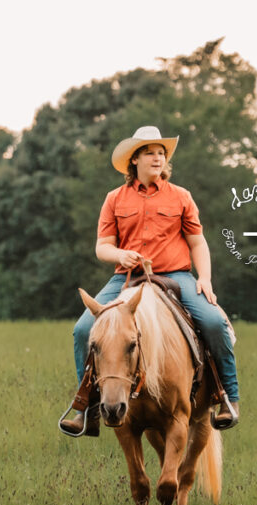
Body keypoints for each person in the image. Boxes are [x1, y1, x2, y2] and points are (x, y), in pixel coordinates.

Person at [60, 126, 240, 435]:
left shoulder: (181, 197)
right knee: (82, 330)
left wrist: (205, 279)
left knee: (213, 322)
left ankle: (227, 398)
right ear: (134, 160)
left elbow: (198, 243)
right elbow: (102, 247)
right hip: (127, 279)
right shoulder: (114, 199)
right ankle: (87, 405)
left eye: (161, 153)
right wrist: (120, 255)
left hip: (176, 276)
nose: (158, 158)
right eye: (150, 153)